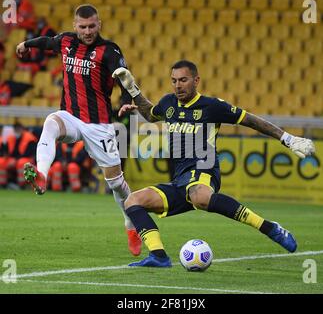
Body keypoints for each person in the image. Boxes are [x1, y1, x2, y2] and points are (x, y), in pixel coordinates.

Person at [112, 60, 316, 267]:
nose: (178, 85)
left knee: (199, 195)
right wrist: (131, 88)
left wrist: (288, 139)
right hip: (180, 180)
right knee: (132, 201)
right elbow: (149, 113)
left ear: (196, 80)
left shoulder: (212, 106)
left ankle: (270, 228)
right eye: (174, 81)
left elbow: (251, 120)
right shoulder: (169, 103)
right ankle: (158, 256)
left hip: (204, 171)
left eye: (183, 80)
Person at [15, 4, 141, 256]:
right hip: (71, 116)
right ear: (75, 26)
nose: (87, 31)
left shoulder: (109, 50)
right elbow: (47, 42)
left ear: (99, 24)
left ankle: (131, 223)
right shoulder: (66, 41)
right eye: (82, 27)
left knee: (116, 183)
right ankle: (41, 176)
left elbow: (124, 78)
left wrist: (127, 100)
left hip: (99, 124)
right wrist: (27, 44)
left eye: (92, 26)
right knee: (51, 122)